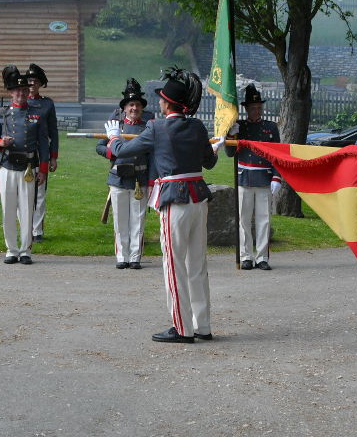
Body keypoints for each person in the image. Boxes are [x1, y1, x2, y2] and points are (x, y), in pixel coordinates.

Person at [104, 68, 220, 344]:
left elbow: (120, 152)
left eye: (162, 99)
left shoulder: (156, 127)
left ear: (168, 103)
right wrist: (214, 148)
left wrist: (113, 137)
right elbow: (210, 162)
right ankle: (201, 325)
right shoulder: (197, 126)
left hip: (174, 198)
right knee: (197, 264)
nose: (159, 103)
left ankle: (182, 328)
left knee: (174, 264)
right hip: (198, 197)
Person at [0, 66, 49, 265]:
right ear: (11, 92)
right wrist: (0, 143)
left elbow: (43, 144)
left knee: (27, 211)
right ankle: (11, 249)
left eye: (24, 90)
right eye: (17, 91)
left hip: (28, 168)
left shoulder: (36, 114)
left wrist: (43, 169)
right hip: (7, 166)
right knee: (9, 210)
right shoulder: (3, 113)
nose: (21, 94)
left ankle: (25, 250)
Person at [96, 78, 151, 270]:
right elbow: (100, 147)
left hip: (139, 179)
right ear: (124, 108)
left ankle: (135, 257)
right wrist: (113, 149)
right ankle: (122, 256)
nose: (134, 108)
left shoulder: (147, 127)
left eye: (137, 105)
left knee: (138, 220)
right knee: (120, 221)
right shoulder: (115, 126)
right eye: (131, 105)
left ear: (141, 108)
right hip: (118, 178)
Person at [225, 83, 281, 270]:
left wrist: (276, 177)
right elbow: (229, 153)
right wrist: (231, 136)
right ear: (246, 109)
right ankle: (246, 255)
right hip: (245, 178)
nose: (256, 111)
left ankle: (262, 257)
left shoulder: (271, 128)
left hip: (264, 178)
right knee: (244, 219)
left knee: (263, 220)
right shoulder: (239, 127)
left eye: (259, 108)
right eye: (253, 108)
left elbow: (277, 155)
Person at [25, 64, 58, 244]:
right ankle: (25, 228)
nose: (32, 84)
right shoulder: (20, 102)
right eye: (29, 81)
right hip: (22, 154)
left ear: (40, 84)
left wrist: (53, 156)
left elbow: (53, 132)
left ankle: (37, 231)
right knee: (22, 193)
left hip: (41, 153)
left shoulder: (47, 104)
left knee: (39, 194)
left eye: (35, 81)